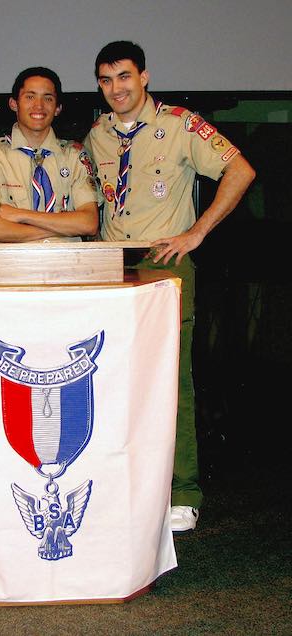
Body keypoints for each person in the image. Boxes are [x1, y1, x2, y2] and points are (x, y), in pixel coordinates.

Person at [85, 41, 255, 532]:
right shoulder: (97, 134)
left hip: (164, 265)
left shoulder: (180, 124)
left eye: (124, 76)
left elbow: (239, 170)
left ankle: (183, 490)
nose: (116, 88)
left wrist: (196, 232)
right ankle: (124, 484)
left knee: (171, 382)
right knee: (113, 379)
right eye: (105, 79)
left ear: (144, 77)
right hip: (113, 269)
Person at [0, 67, 99, 242]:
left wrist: (21, 215)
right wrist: (63, 228)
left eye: (48, 98)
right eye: (30, 96)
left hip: (68, 264)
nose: (39, 105)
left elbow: (89, 224)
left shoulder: (74, 155)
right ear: (14, 103)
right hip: (9, 266)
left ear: (58, 108)